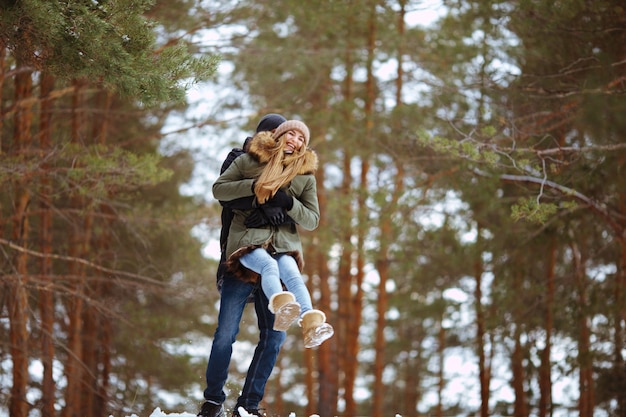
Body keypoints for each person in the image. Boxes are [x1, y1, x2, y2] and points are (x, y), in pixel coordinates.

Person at [198, 114, 289, 417]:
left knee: (275, 334)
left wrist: (278, 210)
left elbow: (300, 210)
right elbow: (226, 197)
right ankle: (213, 401)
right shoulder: (238, 158)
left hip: (275, 260)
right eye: (274, 133)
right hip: (240, 258)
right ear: (261, 134)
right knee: (226, 333)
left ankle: (248, 405)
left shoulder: (291, 165)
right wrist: (262, 204)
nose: (279, 139)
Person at [213, 119, 333, 348]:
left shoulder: (301, 174)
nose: (295, 141)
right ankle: (281, 305)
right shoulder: (246, 160)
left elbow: (311, 218)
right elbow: (222, 193)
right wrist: (256, 192)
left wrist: (287, 204)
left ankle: (310, 323)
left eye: (301, 138)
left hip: (280, 243)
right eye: (291, 134)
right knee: (268, 267)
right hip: (247, 241)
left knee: (292, 273)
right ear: (276, 135)